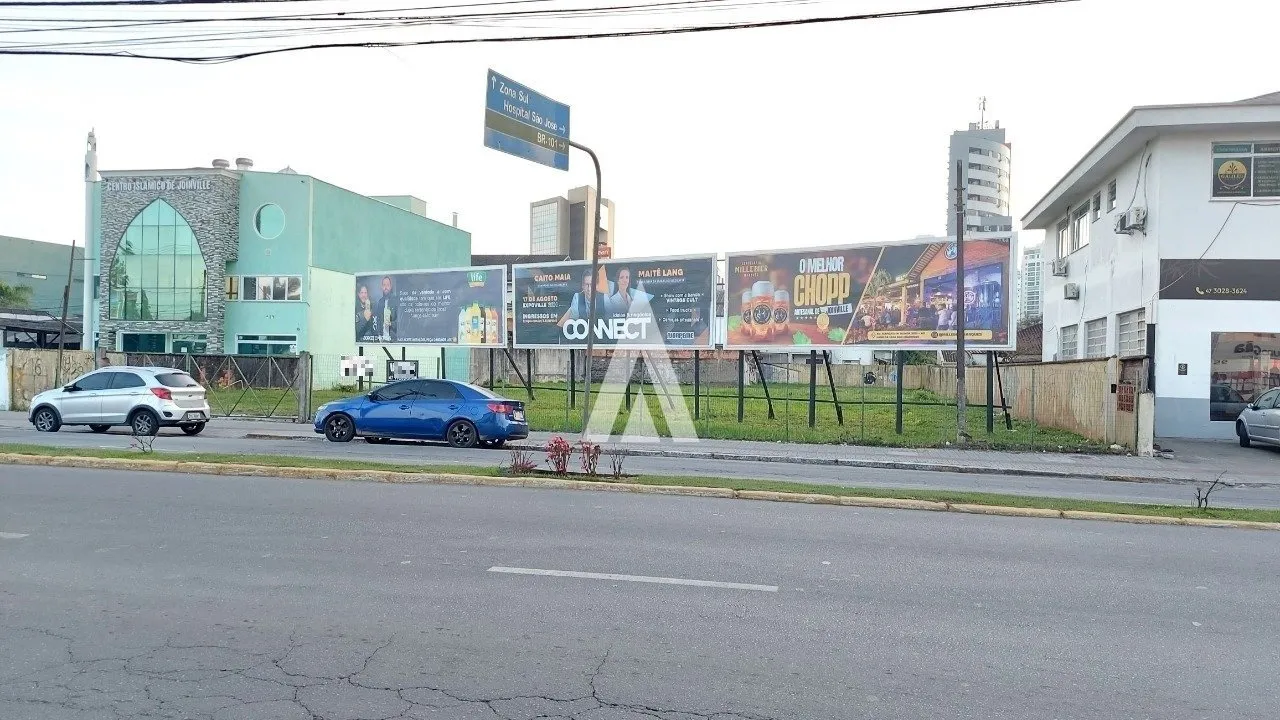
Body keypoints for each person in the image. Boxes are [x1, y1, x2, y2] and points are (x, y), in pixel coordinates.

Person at [376, 275, 397, 342]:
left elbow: (401, 322)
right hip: (382, 339)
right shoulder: (380, 302)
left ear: (390, 287)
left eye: (387, 285)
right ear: (382, 287)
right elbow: (378, 320)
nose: (386, 287)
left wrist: (391, 323)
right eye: (384, 285)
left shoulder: (396, 301)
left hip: (393, 339)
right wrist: (379, 335)